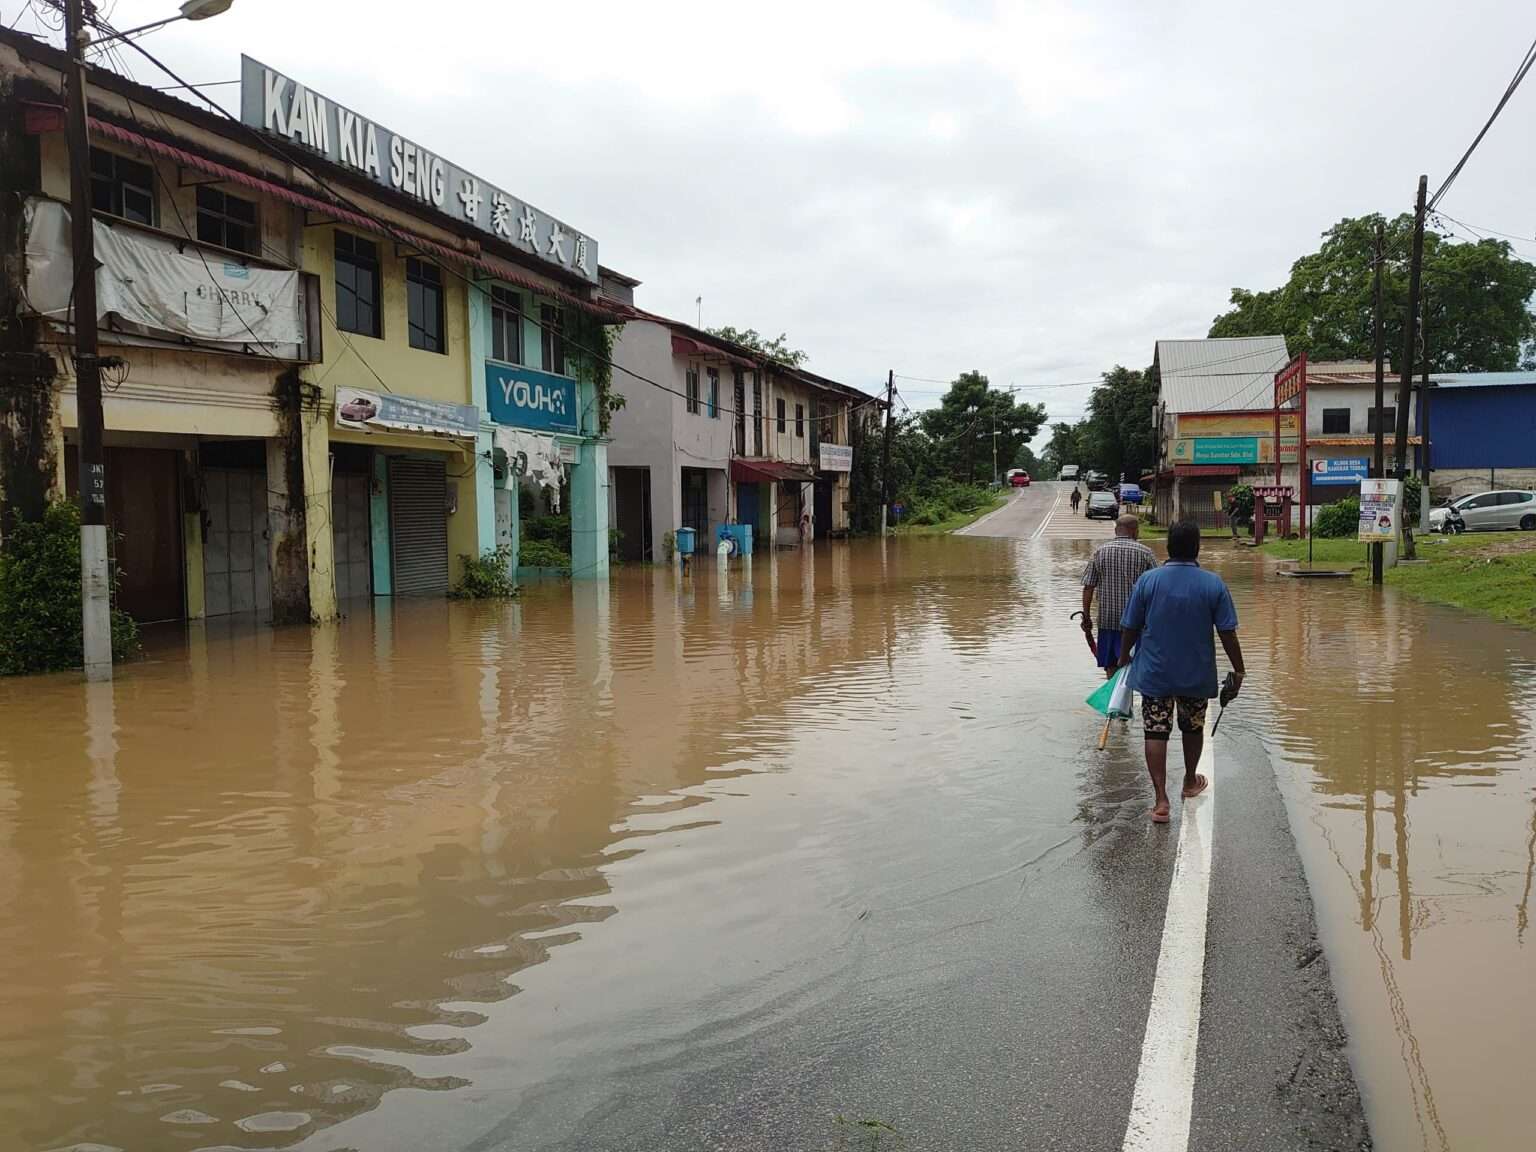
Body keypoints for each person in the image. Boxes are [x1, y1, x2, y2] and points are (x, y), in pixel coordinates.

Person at [1117, 519, 1246, 824]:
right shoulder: (1213, 584)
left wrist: (1123, 658)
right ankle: (1189, 780)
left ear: (1169, 547)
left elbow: (1130, 626)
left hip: (1154, 673)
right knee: (1192, 728)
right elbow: (1227, 632)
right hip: (1195, 674)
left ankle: (1161, 800)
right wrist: (1239, 670)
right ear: (1197, 547)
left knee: (1155, 731)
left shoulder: (1148, 581)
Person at [1081, 514, 1157, 680]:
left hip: (1108, 622)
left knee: (1111, 669)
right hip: (1137, 624)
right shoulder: (1146, 553)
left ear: (1116, 530)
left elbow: (1088, 587)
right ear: (1134, 531)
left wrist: (1086, 618)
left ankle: (1114, 696)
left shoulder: (1099, 552)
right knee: (1138, 668)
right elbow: (1156, 589)